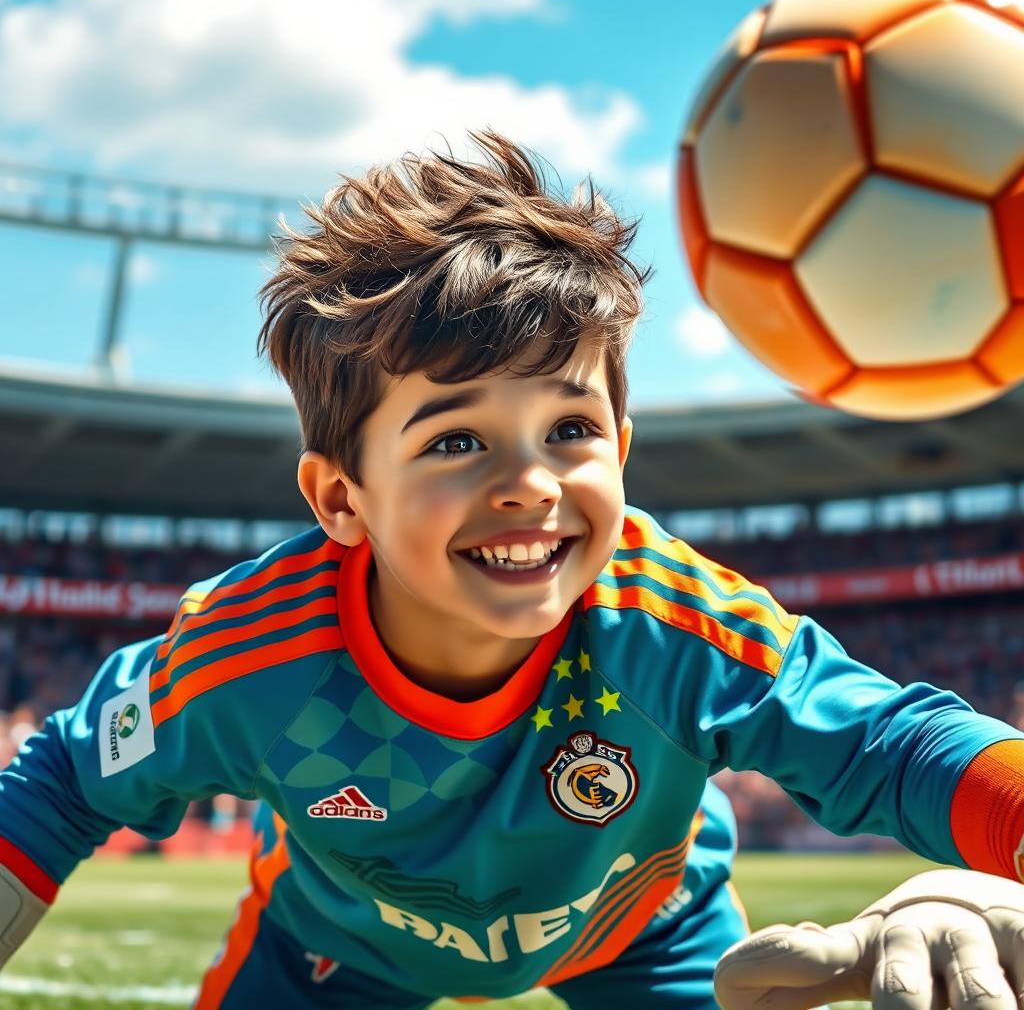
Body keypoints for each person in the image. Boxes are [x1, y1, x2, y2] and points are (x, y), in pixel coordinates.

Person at [0, 131, 1022, 1010]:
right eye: (455, 441)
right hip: (336, 948)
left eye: (570, 428)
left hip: (644, 933)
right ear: (339, 500)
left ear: (621, 448)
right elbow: (58, 783)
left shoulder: (674, 622)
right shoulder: (248, 654)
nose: (532, 482)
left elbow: (891, 742)